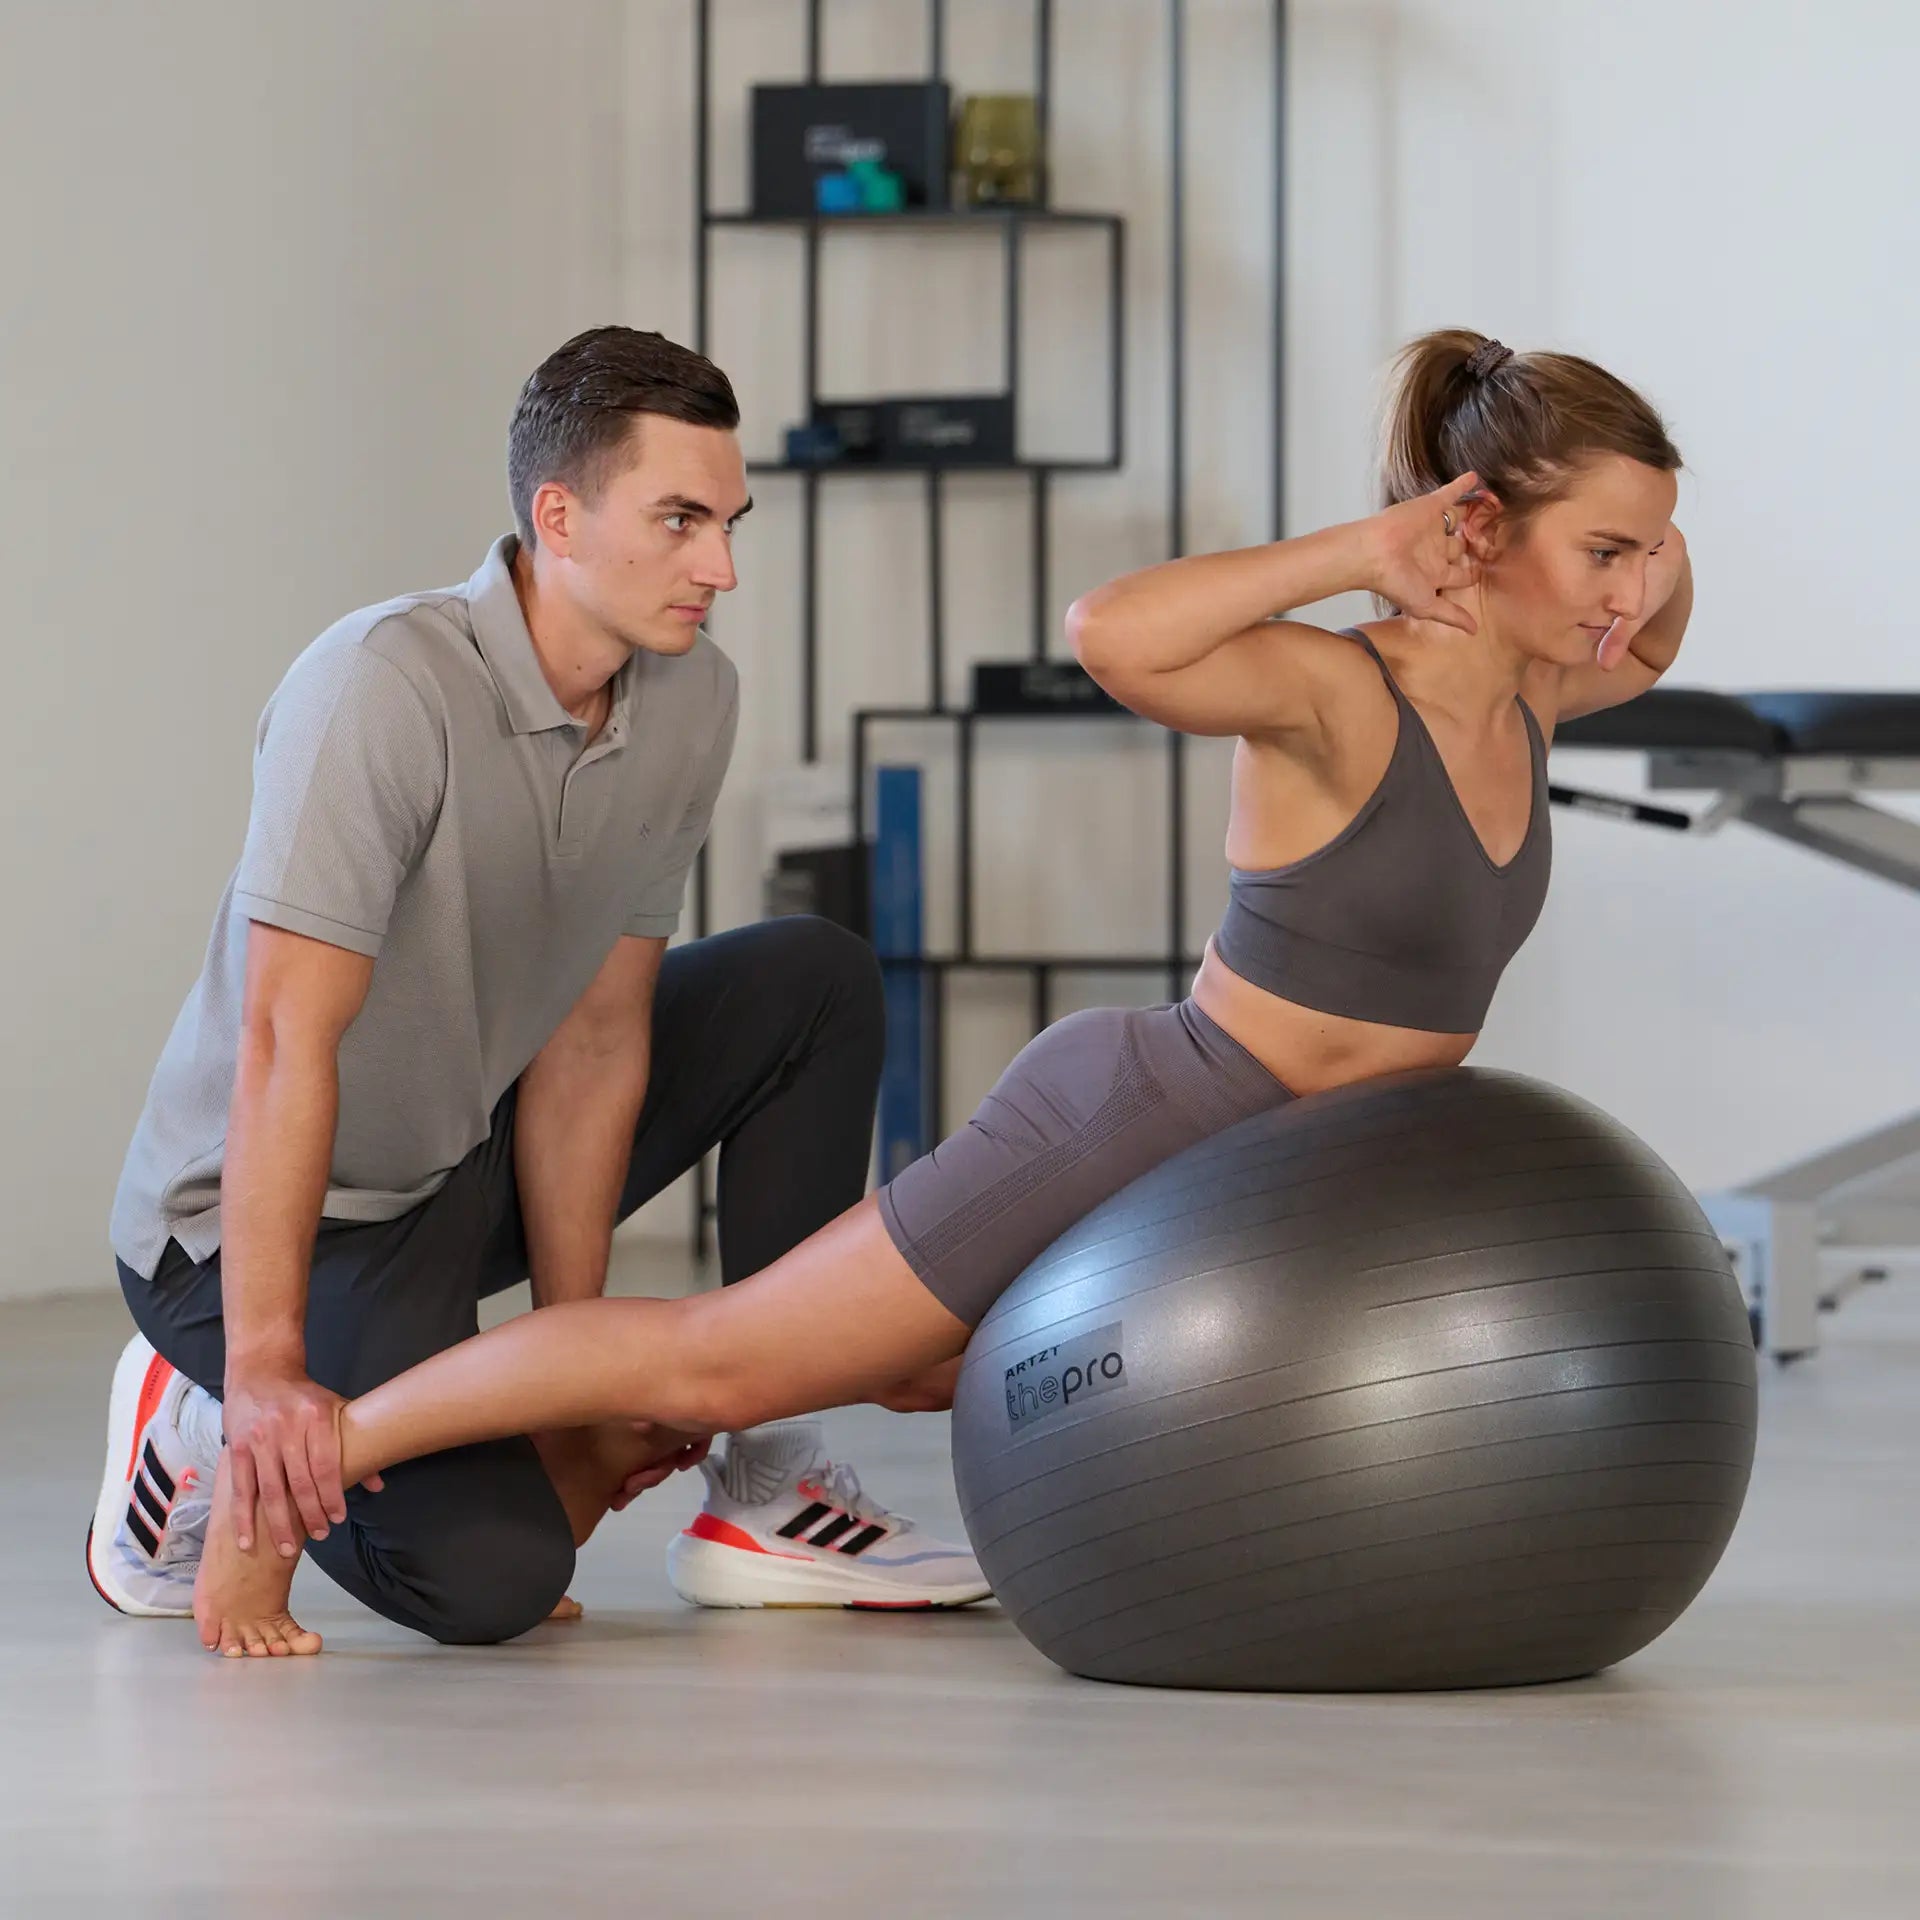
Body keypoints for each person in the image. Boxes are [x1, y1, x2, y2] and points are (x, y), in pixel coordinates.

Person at [190, 326, 1697, 1659]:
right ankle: (293, 1465)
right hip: (1146, 1127)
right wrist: (1367, 549)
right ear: (1483, 530)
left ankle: (585, 1474)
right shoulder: (1332, 686)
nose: (1633, 595)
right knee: (722, 1355)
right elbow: (1113, 632)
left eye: (1648, 552)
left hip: (1277, 1198)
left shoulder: (1540, 689)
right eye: (1607, 553)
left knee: (917, 1368)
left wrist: (1628, 518)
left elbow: (1667, 624)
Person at [89, 326, 991, 1651]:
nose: (721, 568)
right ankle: (196, 1402)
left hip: (458, 1161)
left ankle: (765, 1476)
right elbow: (287, 1043)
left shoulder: (692, 697)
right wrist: (272, 1368)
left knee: (812, 977)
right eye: (680, 520)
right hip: (253, 1225)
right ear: (555, 516)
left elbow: (596, 1038)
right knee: (497, 1580)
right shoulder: (380, 690)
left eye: (730, 522)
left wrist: (583, 1359)